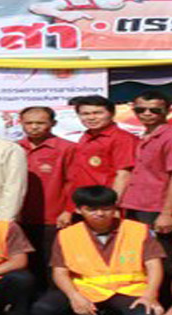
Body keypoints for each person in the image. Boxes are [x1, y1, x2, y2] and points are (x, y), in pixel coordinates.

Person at [31, 186, 166, 315]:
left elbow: (154, 265)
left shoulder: (138, 230)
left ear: (115, 208)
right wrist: (74, 297)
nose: (100, 213)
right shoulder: (67, 235)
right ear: (78, 210)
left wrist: (150, 296)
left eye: (106, 208)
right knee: (44, 309)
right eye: (91, 209)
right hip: (87, 290)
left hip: (128, 290)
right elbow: (60, 272)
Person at [119, 90, 172, 246]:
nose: (147, 114)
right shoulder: (141, 137)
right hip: (133, 204)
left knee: (158, 253)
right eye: (140, 110)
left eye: (155, 110)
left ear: (168, 111)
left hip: (156, 208)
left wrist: (167, 213)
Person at [57, 95, 137, 226]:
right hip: (83, 204)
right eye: (85, 114)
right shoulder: (85, 136)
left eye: (98, 113)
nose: (91, 117)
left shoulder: (122, 139)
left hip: (103, 208)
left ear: (111, 114)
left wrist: (113, 207)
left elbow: (124, 175)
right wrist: (69, 209)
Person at [17, 105, 75, 279]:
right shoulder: (14, 148)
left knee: (52, 262)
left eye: (40, 123)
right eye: (29, 123)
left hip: (54, 217)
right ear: (21, 123)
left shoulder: (67, 148)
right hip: (20, 216)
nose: (34, 127)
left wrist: (68, 210)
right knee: (25, 264)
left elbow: (74, 182)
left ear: (53, 123)